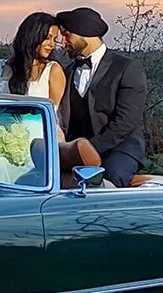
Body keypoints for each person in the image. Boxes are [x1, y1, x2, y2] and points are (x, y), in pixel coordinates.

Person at [54, 7, 147, 188]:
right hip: (78, 151)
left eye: (66, 35)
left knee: (111, 179)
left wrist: (91, 149)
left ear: (84, 32)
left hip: (119, 149)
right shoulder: (67, 71)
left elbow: (126, 122)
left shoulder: (127, 68)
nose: (63, 42)